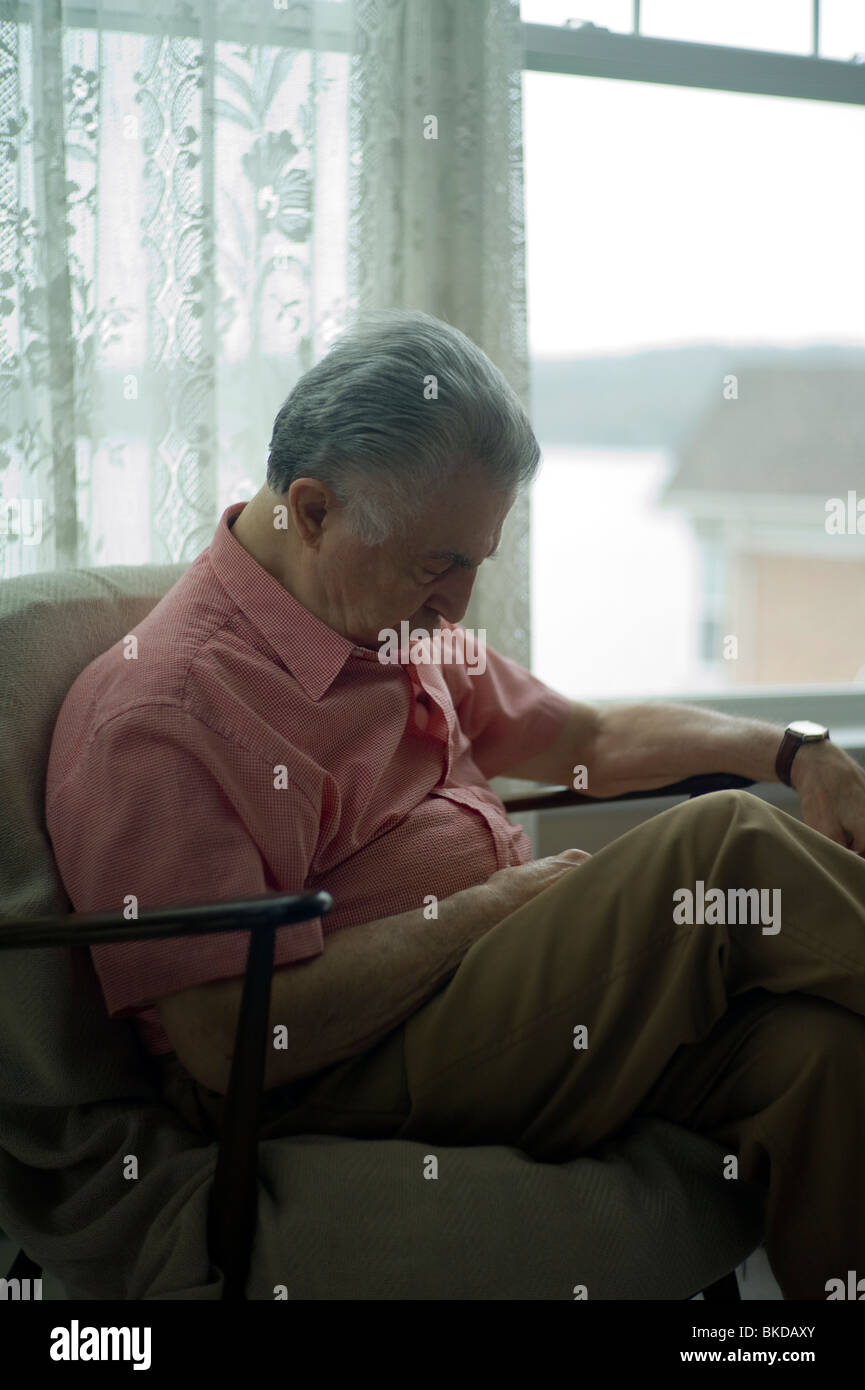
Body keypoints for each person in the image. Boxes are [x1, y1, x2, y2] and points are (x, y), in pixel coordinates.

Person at [45, 309, 865, 1300]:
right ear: (312, 512)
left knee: (815, 1058)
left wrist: (793, 748)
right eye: (441, 564)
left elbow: (584, 743)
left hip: (491, 1008)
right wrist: (488, 908)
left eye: (475, 560)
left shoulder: (384, 624)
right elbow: (228, 1042)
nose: (459, 605)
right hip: (333, 1070)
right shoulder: (167, 711)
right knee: (721, 844)